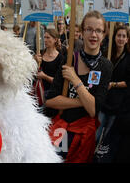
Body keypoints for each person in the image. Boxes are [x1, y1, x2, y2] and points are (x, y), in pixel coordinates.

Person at [45, 11, 112, 163]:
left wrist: (75, 80)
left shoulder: (106, 66)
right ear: (82, 32)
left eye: (98, 30)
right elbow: (50, 100)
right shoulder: (68, 60)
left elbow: (93, 110)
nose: (93, 34)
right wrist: (86, 101)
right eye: (89, 29)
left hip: (84, 134)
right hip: (61, 130)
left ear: (104, 34)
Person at [94, 25, 130, 162]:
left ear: (127, 39)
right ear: (114, 37)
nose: (120, 38)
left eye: (123, 36)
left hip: (118, 106)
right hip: (104, 102)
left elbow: (128, 82)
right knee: (96, 135)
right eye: (118, 35)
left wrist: (113, 84)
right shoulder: (106, 54)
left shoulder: (128, 58)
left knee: (107, 139)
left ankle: (101, 159)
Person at [34, 29, 65, 118]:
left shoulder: (60, 58)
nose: (45, 40)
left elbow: (59, 82)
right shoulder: (40, 54)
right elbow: (33, 73)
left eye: (48, 37)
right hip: (38, 94)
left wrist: (44, 76)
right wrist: (34, 62)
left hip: (51, 97)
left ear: (55, 39)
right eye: (44, 37)